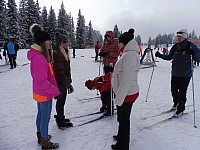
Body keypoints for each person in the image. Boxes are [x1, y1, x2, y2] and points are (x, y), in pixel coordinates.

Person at [27, 24, 60, 149]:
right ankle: (45, 141)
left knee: (41, 115)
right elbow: (42, 81)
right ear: (42, 42)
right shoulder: (39, 58)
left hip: (40, 92)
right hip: (44, 92)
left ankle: (41, 135)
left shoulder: (39, 56)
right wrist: (54, 90)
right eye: (49, 40)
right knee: (45, 117)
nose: (51, 42)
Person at [155, 29, 200, 117]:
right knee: (174, 90)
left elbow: (198, 58)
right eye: (177, 36)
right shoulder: (175, 47)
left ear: (185, 37)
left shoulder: (190, 46)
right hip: (175, 73)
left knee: (182, 92)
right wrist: (160, 55)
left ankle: (181, 109)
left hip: (185, 74)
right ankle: (176, 104)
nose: (178, 38)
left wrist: (194, 54)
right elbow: (169, 57)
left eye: (180, 36)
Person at [111, 28, 140, 150]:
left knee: (124, 120)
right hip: (125, 93)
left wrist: (119, 98)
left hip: (126, 94)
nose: (118, 44)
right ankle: (121, 136)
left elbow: (126, 80)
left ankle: (123, 146)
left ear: (125, 42)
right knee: (122, 118)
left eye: (120, 42)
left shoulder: (129, 56)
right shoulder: (128, 53)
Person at [53, 33, 74, 128]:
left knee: (61, 101)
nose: (66, 44)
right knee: (61, 102)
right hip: (60, 83)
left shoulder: (63, 53)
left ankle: (60, 116)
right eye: (64, 42)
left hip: (63, 82)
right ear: (59, 44)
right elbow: (59, 72)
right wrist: (67, 83)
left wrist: (68, 82)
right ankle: (60, 120)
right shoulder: (58, 54)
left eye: (67, 41)